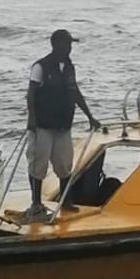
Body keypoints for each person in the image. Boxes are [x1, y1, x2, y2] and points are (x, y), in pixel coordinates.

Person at [25, 29, 100, 222]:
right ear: (55, 44)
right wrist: (32, 119)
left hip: (63, 125)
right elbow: (31, 95)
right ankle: (36, 202)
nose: (69, 48)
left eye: (70, 45)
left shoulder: (68, 67)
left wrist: (90, 117)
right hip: (42, 125)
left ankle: (66, 200)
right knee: (38, 164)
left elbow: (75, 93)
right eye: (66, 44)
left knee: (64, 163)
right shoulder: (40, 67)